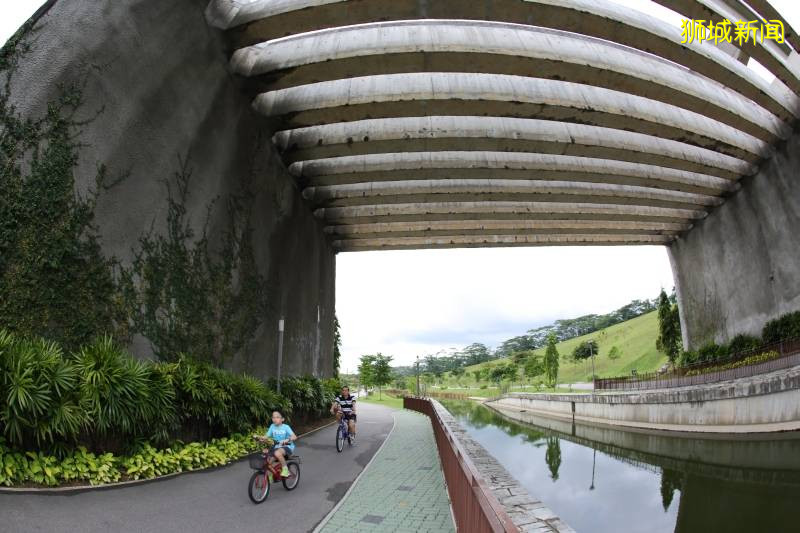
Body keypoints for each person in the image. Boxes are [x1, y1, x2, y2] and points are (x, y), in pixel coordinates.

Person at [264, 410, 297, 477]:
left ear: (282, 419)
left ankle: (285, 470)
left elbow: (294, 437)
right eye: (273, 417)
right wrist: (260, 438)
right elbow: (266, 436)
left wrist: (287, 440)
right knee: (267, 463)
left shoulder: (286, 427)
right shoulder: (272, 426)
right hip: (276, 447)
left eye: (277, 417)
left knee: (277, 453)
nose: (275, 419)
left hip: (287, 447)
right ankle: (271, 477)